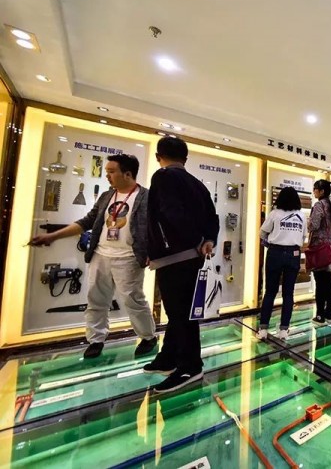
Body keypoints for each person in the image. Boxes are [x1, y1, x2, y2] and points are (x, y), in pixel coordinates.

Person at [30, 154, 157, 359]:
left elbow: (156, 228)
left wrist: (153, 253)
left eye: (111, 171)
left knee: (133, 300)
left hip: (128, 257)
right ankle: (96, 340)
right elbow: (87, 221)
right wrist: (53, 236)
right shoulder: (107, 196)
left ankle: (148, 337)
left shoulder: (147, 197)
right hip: (100, 254)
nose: (107, 176)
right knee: (96, 300)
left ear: (127, 174)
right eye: (106, 171)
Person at [145, 136, 219, 394]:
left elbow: (170, 213)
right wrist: (208, 239)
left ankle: (190, 366)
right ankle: (170, 357)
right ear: (185, 158)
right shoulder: (197, 184)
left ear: (158, 157)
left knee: (180, 313)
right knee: (180, 312)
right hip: (191, 256)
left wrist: (196, 239)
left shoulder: (163, 176)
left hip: (175, 255)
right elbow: (212, 217)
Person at [258, 187, 306, 340]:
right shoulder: (301, 216)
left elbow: (262, 232)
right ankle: (284, 330)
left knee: (270, 292)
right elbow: (303, 237)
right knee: (288, 293)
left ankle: (263, 329)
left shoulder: (275, 214)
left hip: (275, 253)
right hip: (293, 254)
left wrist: (269, 243)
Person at [308, 179, 331, 325]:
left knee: (320, 282)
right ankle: (329, 314)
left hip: (319, 249)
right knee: (328, 281)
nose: (314, 191)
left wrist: (307, 221)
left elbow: (313, 225)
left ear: (321, 191)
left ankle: (320, 316)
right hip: (330, 249)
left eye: (315, 189)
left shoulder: (319, 205)